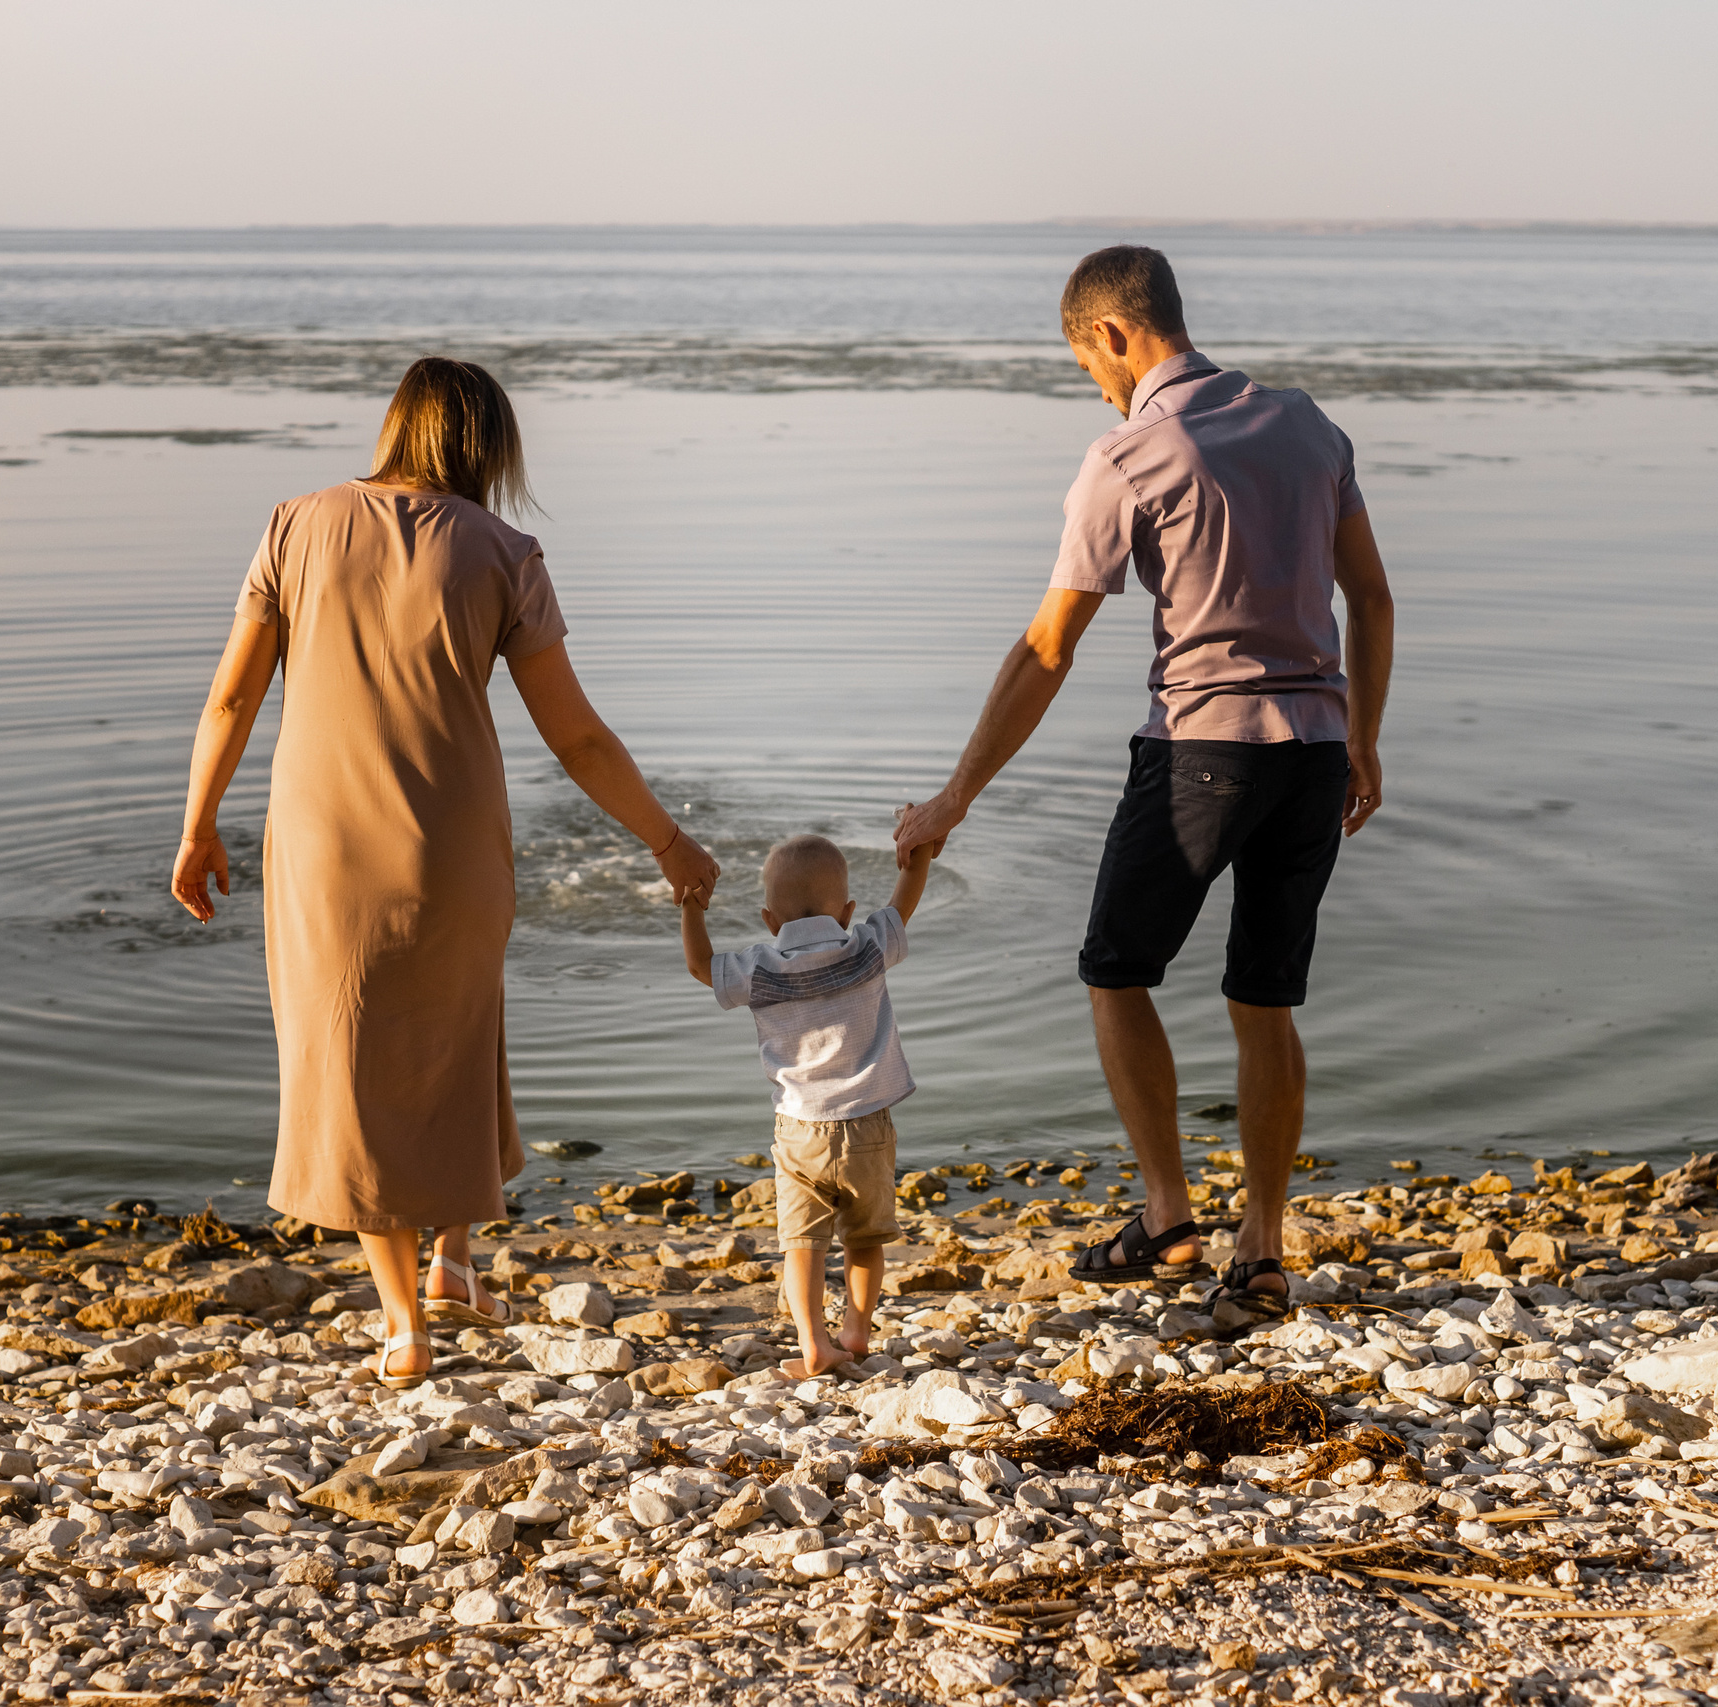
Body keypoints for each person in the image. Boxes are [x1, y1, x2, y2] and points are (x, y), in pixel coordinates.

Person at [170, 357, 719, 1386]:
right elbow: (579, 740)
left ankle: (403, 1323)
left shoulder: (293, 525)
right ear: (487, 444)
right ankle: (454, 1258)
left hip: (323, 844)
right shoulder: (505, 552)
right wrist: (666, 839)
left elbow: (231, 700)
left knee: (350, 1061)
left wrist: (199, 825)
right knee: (460, 1039)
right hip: (455, 841)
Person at [894, 245, 1396, 1313]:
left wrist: (954, 798)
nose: (1097, 386)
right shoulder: (1310, 426)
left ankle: (1168, 1215)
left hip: (1202, 754)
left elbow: (1047, 648)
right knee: (1265, 999)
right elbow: (1373, 598)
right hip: (1315, 752)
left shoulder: (1129, 456)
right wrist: (1364, 736)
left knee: (1116, 973)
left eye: (1089, 364)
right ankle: (1262, 1248)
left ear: (1112, 333)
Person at [679, 833, 933, 1377]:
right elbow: (903, 905)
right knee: (865, 1239)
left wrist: (692, 909)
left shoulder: (760, 968)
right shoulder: (866, 947)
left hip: (800, 1128)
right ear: (847, 911)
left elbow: (701, 966)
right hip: (868, 1124)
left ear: (770, 920)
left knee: (802, 1244)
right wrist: (918, 856)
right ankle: (857, 1332)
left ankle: (813, 1342)